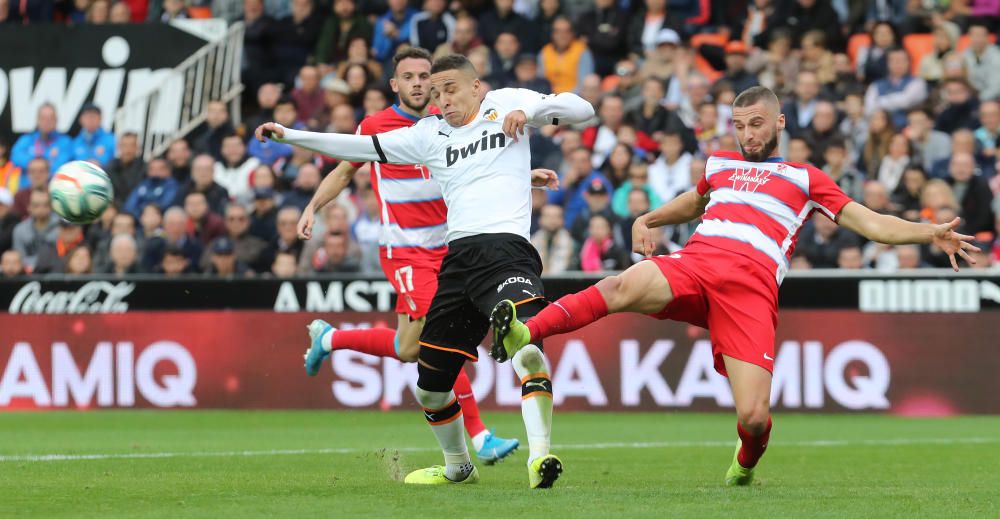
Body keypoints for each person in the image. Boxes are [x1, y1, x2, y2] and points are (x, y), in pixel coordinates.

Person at [488, 86, 978, 488]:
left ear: (780, 122)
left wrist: (927, 231)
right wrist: (649, 216)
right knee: (622, 285)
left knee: (756, 417)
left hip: (750, 290)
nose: (747, 134)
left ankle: (744, 465)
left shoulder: (804, 178)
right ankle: (526, 332)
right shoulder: (721, 165)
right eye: (740, 125)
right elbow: (693, 203)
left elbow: (870, 223)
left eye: (757, 124)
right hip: (697, 263)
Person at [258, 52, 594, 487]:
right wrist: (289, 136)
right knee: (429, 386)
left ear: (477, 87)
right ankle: (459, 466)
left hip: (507, 253)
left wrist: (528, 110)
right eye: (437, 93)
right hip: (455, 263)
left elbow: (582, 110)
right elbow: (355, 149)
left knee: (526, 348)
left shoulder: (507, 103)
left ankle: (540, 458)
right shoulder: (428, 134)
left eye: (449, 89)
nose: (442, 100)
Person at [281, 47, 521, 465]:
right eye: (407, 76)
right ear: (395, 84)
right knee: (442, 335)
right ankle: (480, 436)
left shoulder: (448, 124)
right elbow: (342, 171)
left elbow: (474, 168)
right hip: (406, 253)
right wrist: (312, 207)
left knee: (411, 348)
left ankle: (330, 338)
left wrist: (524, 173)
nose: (417, 83)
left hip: (449, 250)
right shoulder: (376, 127)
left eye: (424, 76)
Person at [11, 104, 73, 170]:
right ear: (37, 120)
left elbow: (62, 165)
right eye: (43, 118)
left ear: (56, 120)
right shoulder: (26, 139)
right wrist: (44, 161)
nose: (47, 121)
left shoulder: (66, 142)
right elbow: (15, 157)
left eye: (51, 118)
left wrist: (34, 162)